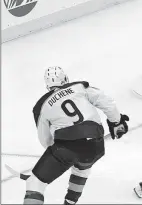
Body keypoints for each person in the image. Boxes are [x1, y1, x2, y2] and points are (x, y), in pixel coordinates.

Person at [23, 66, 129, 204]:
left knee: (34, 184)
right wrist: (116, 122)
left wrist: (58, 156)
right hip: (96, 144)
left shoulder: (41, 106)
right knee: (82, 168)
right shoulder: (79, 87)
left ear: (47, 85)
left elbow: (45, 139)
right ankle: (70, 202)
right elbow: (107, 102)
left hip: (67, 146)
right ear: (66, 79)